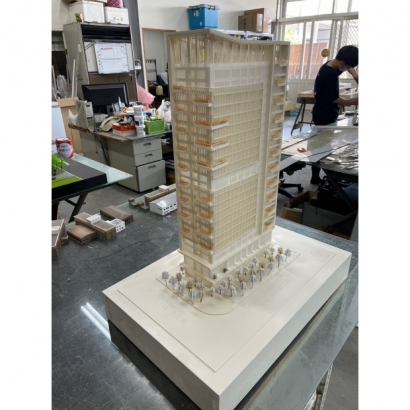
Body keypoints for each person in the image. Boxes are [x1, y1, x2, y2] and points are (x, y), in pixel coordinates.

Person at [310, 45, 359, 184]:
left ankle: (320, 177)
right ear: (342, 63)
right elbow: (333, 99)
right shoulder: (329, 74)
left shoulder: (330, 65)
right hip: (323, 114)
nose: (348, 69)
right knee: (320, 146)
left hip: (324, 111)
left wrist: (355, 74)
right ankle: (317, 177)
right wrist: (352, 101)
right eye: (348, 67)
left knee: (323, 145)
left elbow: (346, 68)